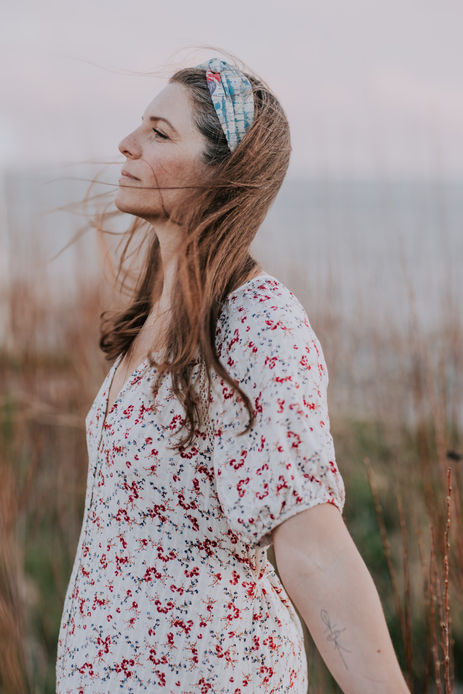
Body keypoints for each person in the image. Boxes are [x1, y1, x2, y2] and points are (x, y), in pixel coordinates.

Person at [56, 54, 410, 693]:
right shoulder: (158, 313)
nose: (126, 144)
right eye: (141, 125)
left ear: (224, 174)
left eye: (160, 133)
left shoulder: (256, 323)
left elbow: (314, 547)